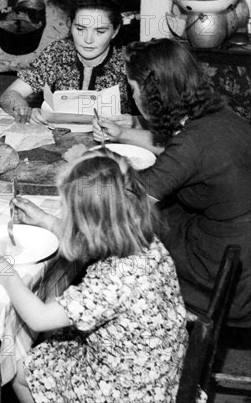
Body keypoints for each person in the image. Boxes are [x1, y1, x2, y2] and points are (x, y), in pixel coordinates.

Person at [0, 151, 189, 403]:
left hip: (127, 391)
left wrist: (6, 275)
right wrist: (44, 219)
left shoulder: (113, 281)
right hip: (158, 371)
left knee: (19, 370)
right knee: (54, 339)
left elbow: (39, 318)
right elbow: (89, 242)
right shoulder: (140, 239)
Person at [92, 38, 251, 325]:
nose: (133, 96)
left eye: (134, 89)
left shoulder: (191, 145)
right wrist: (120, 133)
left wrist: (89, 166)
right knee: (166, 210)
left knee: (129, 226)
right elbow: (174, 148)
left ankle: (122, 311)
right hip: (241, 252)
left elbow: (130, 201)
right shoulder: (220, 116)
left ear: (153, 95)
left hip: (223, 279)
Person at [0, 0, 133, 123]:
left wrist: (134, 122)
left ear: (115, 31)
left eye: (100, 31)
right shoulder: (58, 53)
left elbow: (158, 117)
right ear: (70, 24)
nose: (88, 40)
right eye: (80, 29)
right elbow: (9, 95)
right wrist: (23, 109)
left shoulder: (128, 61)